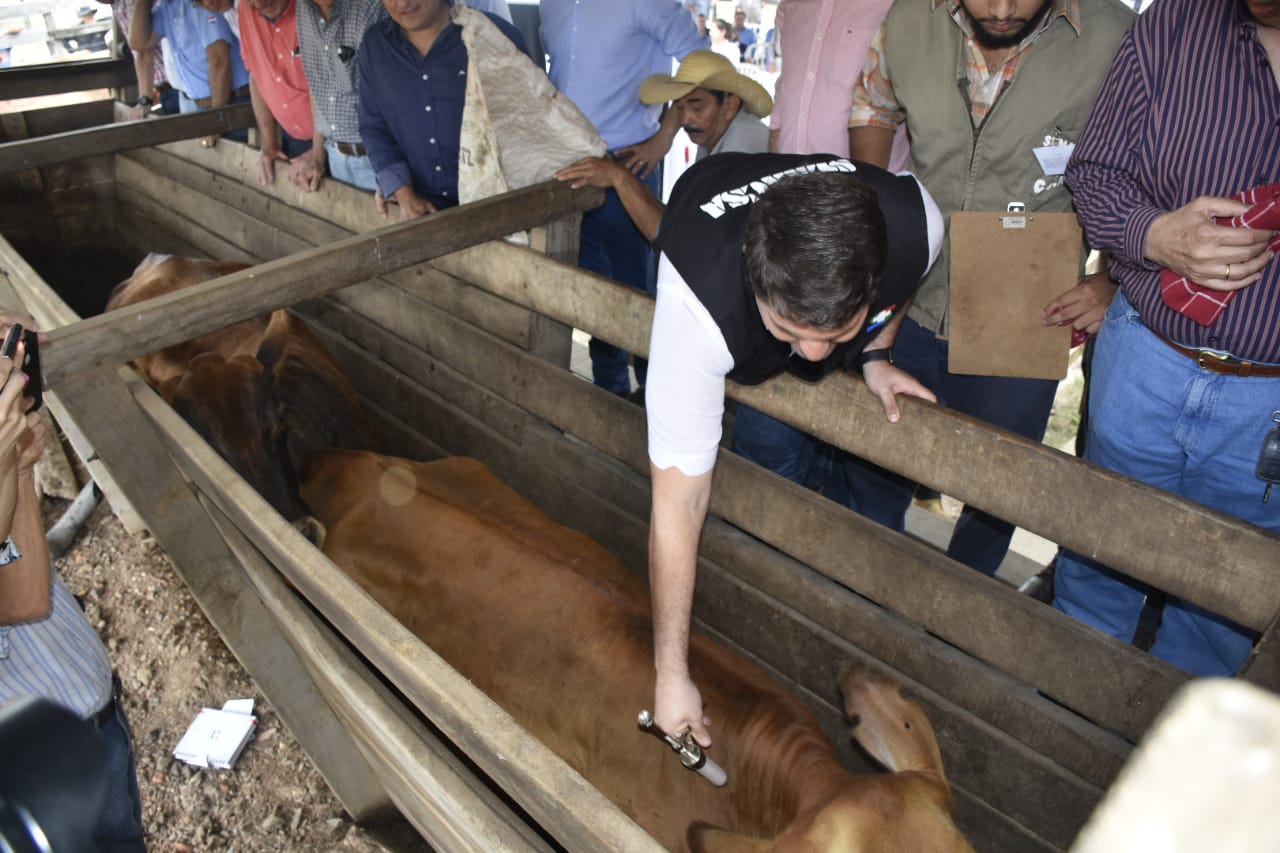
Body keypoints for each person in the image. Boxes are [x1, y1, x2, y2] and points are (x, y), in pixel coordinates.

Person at [646, 152, 942, 744]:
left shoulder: (918, 223)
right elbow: (676, 506)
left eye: (833, 334)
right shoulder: (696, 305)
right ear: (754, 279)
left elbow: (909, 275)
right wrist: (670, 674)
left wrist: (876, 350)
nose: (812, 356)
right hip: (707, 205)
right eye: (789, 332)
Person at [845, 0, 1133, 576]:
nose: (1001, 11)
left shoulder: (1119, 37)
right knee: (876, 468)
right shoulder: (909, 19)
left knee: (998, 490)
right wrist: (877, 208)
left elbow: (1151, 162)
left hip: (1028, 307)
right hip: (910, 289)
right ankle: (863, 593)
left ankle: (962, 620)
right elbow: (872, 105)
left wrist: (1111, 277)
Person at [1052, 0, 1280, 677]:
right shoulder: (1173, 24)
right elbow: (1093, 172)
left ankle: (1173, 757)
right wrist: (1154, 235)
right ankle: (1065, 719)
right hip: (1146, 355)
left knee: (1227, 607)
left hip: (1267, 404)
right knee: (1098, 559)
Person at [0, 314, 146, 852]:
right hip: (23, 773)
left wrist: (16, 469)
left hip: (87, 708)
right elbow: (20, 598)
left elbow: (23, 586)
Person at [539, 0, 707, 398]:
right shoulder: (552, 4)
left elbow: (702, 61)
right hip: (569, 168)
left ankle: (657, 406)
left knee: (644, 298)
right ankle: (609, 400)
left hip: (629, 166)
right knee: (594, 297)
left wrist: (664, 137)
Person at [555, 49, 773, 241]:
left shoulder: (744, 143)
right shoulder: (714, 134)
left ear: (730, 106)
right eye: (679, 108)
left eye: (697, 108)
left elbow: (689, 241)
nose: (686, 119)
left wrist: (619, 177)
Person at [355, 0, 527, 220]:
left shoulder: (495, 36)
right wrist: (402, 191)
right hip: (421, 207)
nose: (402, 3)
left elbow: (534, 120)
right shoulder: (376, 44)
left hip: (498, 206)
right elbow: (373, 126)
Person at [767, 0, 906, 169]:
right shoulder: (791, 5)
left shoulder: (897, 6)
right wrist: (772, 173)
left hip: (864, 187)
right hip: (789, 182)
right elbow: (784, 96)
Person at [292, 0, 386, 193]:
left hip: (377, 160)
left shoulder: (372, 5)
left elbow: (395, 88)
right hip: (334, 156)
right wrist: (317, 154)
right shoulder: (304, 7)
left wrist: (393, 172)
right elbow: (318, 82)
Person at [130, 0, 251, 147]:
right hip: (206, 107)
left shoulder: (202, 4)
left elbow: (219, 62)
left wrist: (217, 120)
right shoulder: (167, 6)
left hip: (230, 103)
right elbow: (139, 43)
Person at [236, 0, 316, 186]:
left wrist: (321, 151)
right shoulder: (246, 10)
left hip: (338, 146)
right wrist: (268, 141)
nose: (259, 4)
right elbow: (257, 74)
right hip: (295, 140)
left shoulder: (314, 6)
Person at [97, 0, 180, 116]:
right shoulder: (118, 5)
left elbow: (143, 50)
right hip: (173, 87)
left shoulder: (130, 3)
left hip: (176, 87)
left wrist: (145, 99)